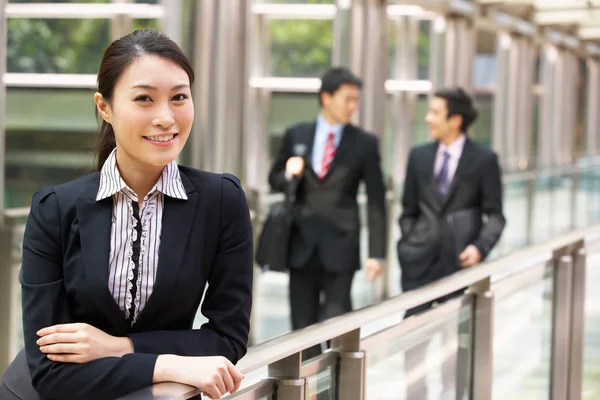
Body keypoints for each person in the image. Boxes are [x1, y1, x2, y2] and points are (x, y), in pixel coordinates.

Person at [0, 29, 253, 400]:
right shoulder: (54, 208)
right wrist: (168, 363)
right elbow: (51, 370)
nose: (166, 117)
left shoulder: (221, 201)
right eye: (144, 99)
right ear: (105, 107)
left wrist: (119, 346)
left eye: (179, 97)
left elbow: (228, 338)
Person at [268, 67, 387, 359]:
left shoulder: (364, 143)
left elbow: (376, 199)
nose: (353, 106)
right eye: (347, 99)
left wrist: (377, 252)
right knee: (302, 328)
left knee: (337, 323)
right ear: (326, 98)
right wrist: (287, 172)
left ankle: (334, 387)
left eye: (356, 100)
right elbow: (274, 178)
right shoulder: (297, 134)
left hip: (341, 245)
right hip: (301, 245)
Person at [398, 87, 505, 399]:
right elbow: (408, 210)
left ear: (455, 119)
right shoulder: (419, 156)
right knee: (413, 344)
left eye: (435, 112)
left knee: (455, 346)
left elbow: (496, 215)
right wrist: (408, 241)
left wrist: (480, 248)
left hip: (459, 267)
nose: (428, 118)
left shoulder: (484, 160)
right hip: (418, 265)